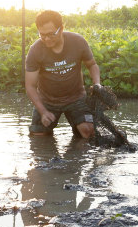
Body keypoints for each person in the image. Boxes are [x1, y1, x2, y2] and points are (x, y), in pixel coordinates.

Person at [25, 10, 101, 138]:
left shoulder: (77, 42)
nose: (47, 39)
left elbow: (92, 65)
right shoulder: (35, 50)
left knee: (88, 132)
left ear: (61, 29)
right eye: (42, 35)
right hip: (47, 100)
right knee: (38, 137)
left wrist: (97, 83)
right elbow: (30, 86)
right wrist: (43, 111)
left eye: (51, 34)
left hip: (76, 98)